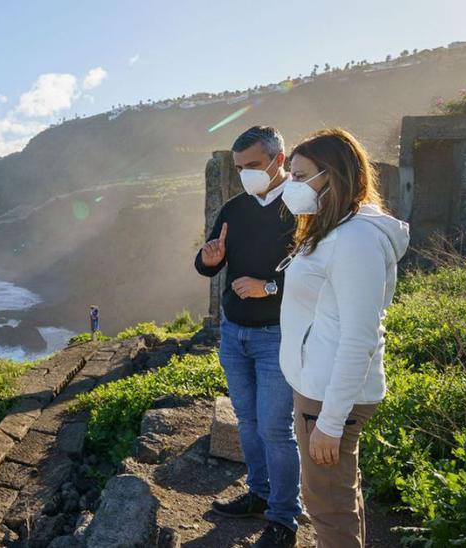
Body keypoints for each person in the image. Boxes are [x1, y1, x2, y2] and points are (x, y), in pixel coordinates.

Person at [277, 128, 409, 547]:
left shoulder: (355, 239)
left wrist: (330, 423)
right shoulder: (336, 230)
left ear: (331, 176)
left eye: (300, 177)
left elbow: (359, 337)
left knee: (328, 508)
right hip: (319, 387)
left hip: (329, 395)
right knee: (338, 497)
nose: (291, 186)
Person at [195, 126, 300, 548]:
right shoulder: (234, 209)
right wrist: (207, 260)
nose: (246, 175)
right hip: (234, 332)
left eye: (253, 166)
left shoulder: (303, 207)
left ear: (279, 159)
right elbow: (209, 265)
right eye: (240, 168)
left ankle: (284, 517)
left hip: (277, 334)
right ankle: (258, 495)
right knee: (248, 421)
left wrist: (269, 287)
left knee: (277, 429)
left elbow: (319, 274)